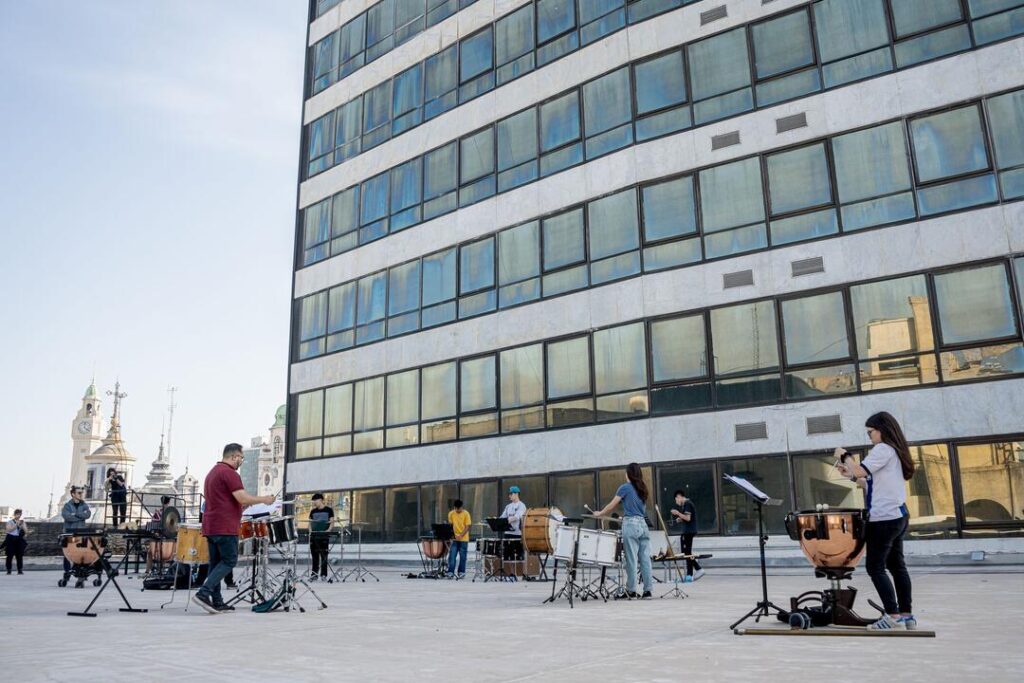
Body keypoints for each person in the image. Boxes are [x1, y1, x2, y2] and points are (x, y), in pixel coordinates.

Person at [836, 411, 917, 631]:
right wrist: (850, 475)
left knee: (875, 567)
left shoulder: (883, 449)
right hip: (897, 515)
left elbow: (861, 468)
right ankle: (906, 615)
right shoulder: (895, 452)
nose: (870, 436)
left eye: (871, 432)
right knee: (896, 566)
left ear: (882, 430)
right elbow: (869, 482)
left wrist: (846, 456)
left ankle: (892, 615)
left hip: (884, 518)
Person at [193, 443, 275, 614]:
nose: (241, 461)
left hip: (211, 525)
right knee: (230, 560)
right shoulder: (229, 473)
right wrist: (264, 500)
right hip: (225, 526)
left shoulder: (212, 472)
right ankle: (203, 593)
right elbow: (242, 497)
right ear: (234, 456)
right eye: (241, 458)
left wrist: (238, 508)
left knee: (215, 564)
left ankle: (217, 601)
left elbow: (226, 500)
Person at [593, 463, 652, 599]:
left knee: (631, 560)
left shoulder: (625, 487)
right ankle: (648, 590)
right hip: (643, 525)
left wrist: (600, 513)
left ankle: (631, 590)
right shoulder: (643, 488)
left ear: (629, 474)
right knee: (645, 559)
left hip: (631, 524)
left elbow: (612, 505)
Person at [670, 490, 703, 582]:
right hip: (688, 531)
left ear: (678, 497)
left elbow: (688, 518)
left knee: (686, 553)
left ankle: (698, 568)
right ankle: (689, 575)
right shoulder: (686, 504)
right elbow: (687, 517)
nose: (677, 503)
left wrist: (677, 513)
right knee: (687, 552)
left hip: (689, 531)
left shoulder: (687, 503)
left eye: (676, 500)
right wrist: (680, 519)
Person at [61, 487, 92, 582]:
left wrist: (75, 514)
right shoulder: (67, 505)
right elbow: (67, 516)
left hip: (81, 533)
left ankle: (80, 574)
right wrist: (80, 516)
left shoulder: (84, 504)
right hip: (69, 533)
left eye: (81, 493)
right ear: (73, 494)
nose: (81, 494)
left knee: (81, 553)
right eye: (79, 493)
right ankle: (67, 572)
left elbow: (88, 514)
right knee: (67, 554)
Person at [308, 493, 335, 581]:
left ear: (321, 500)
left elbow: (332, 522)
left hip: (324, 536)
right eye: (313, 501)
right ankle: (314, 574)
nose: (314, 502)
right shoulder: (313, 511)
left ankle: (323, 574)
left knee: (324, 556)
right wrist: (310, 531)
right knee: (314, 556)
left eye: (315, 500)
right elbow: (310, 522)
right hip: (314, 536)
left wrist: (329, 530)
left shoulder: (329, 510)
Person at [446, 499, 471, 578]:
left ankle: (461, 572)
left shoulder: (466, 514)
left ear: (462, 507)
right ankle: (450, 572)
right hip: (454, 539)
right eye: (456, 508)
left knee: (463, 557)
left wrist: (461, 535)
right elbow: (450, 526)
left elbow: (468, 526)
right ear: (454, 507)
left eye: (459, 509)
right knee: (452, 556)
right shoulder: (451, 514)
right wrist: (452, 536)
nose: (457, 510)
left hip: (464, 539)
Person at [4, 509, 28, 575]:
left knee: (19, 555)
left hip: (19, 539)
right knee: (9, 555)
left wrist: (22, 526)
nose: (19, 516)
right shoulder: (10, 522)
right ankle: (9, 569)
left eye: (20, 514)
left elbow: (26, 531)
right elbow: (9, 530)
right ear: (15, 514)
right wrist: (16, 525)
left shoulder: (22, 522)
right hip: (11, 539)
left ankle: (20, 570)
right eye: (17, 514)